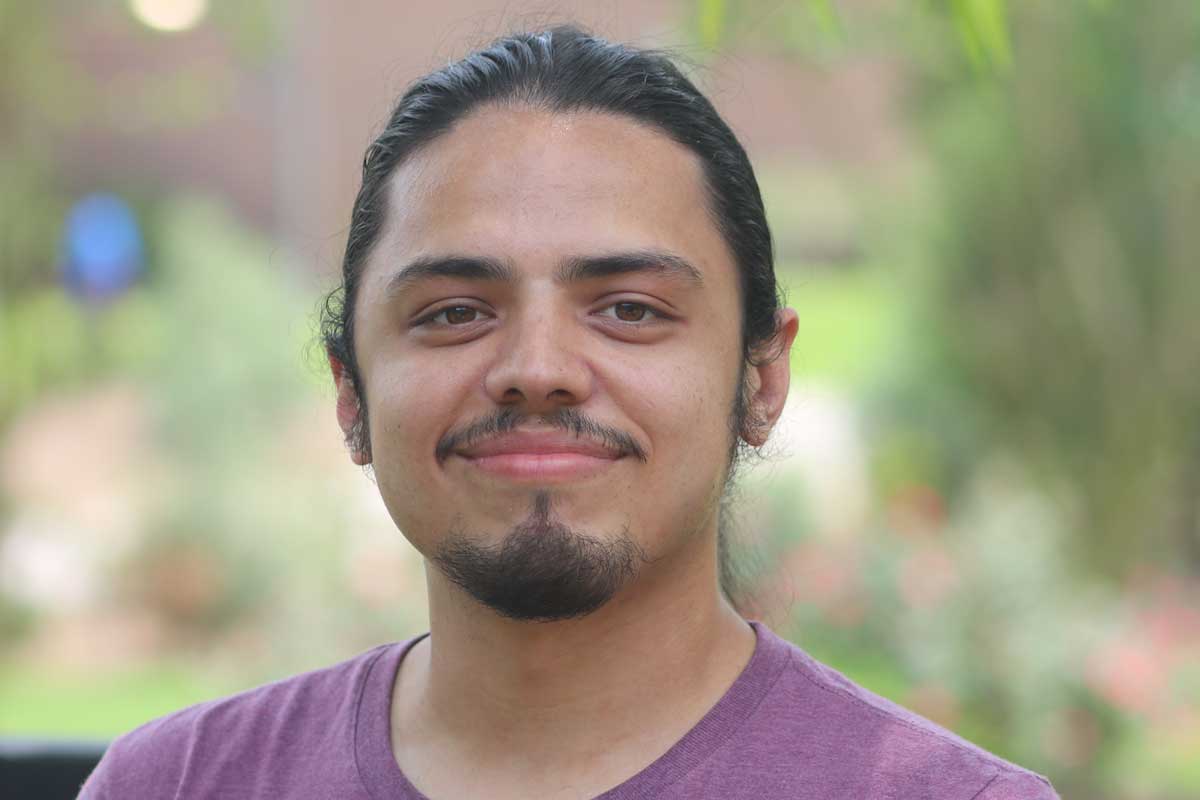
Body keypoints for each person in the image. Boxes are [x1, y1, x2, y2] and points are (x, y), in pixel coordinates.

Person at [79, 26, 1059, 800]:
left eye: (630, 308)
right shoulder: (173, 784)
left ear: (761, 377)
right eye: (455, 312)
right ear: (351, 391)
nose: (537, 369)